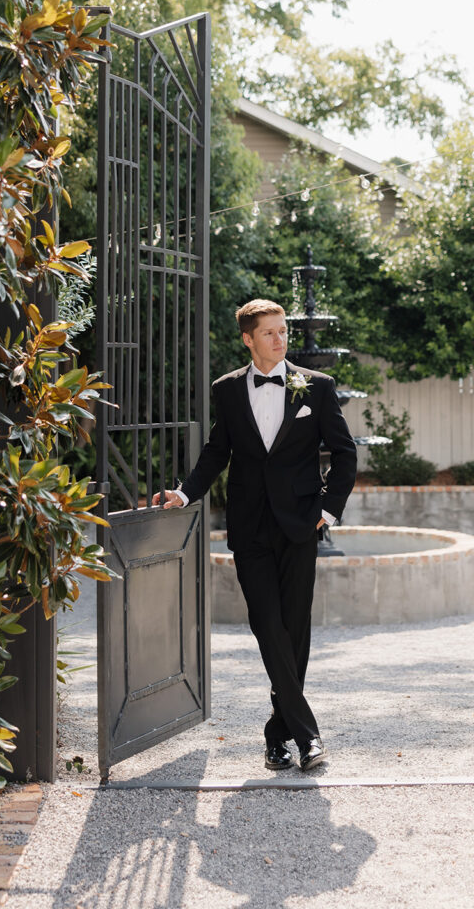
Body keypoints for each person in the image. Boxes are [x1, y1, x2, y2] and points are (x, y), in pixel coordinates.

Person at [152, 298, 357, 771]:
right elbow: (216, 452)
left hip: (301, 525)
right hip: (249, 528)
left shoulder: (317, 387)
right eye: (269, 332)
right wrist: (184, 495)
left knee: (295, 630)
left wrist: (329, 510)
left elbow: (345, 454)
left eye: (282, 330)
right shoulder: (226, 390)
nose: (280, 338)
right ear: (248, 338)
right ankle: (307, 736)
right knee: (267, 625)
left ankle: (276, 735)